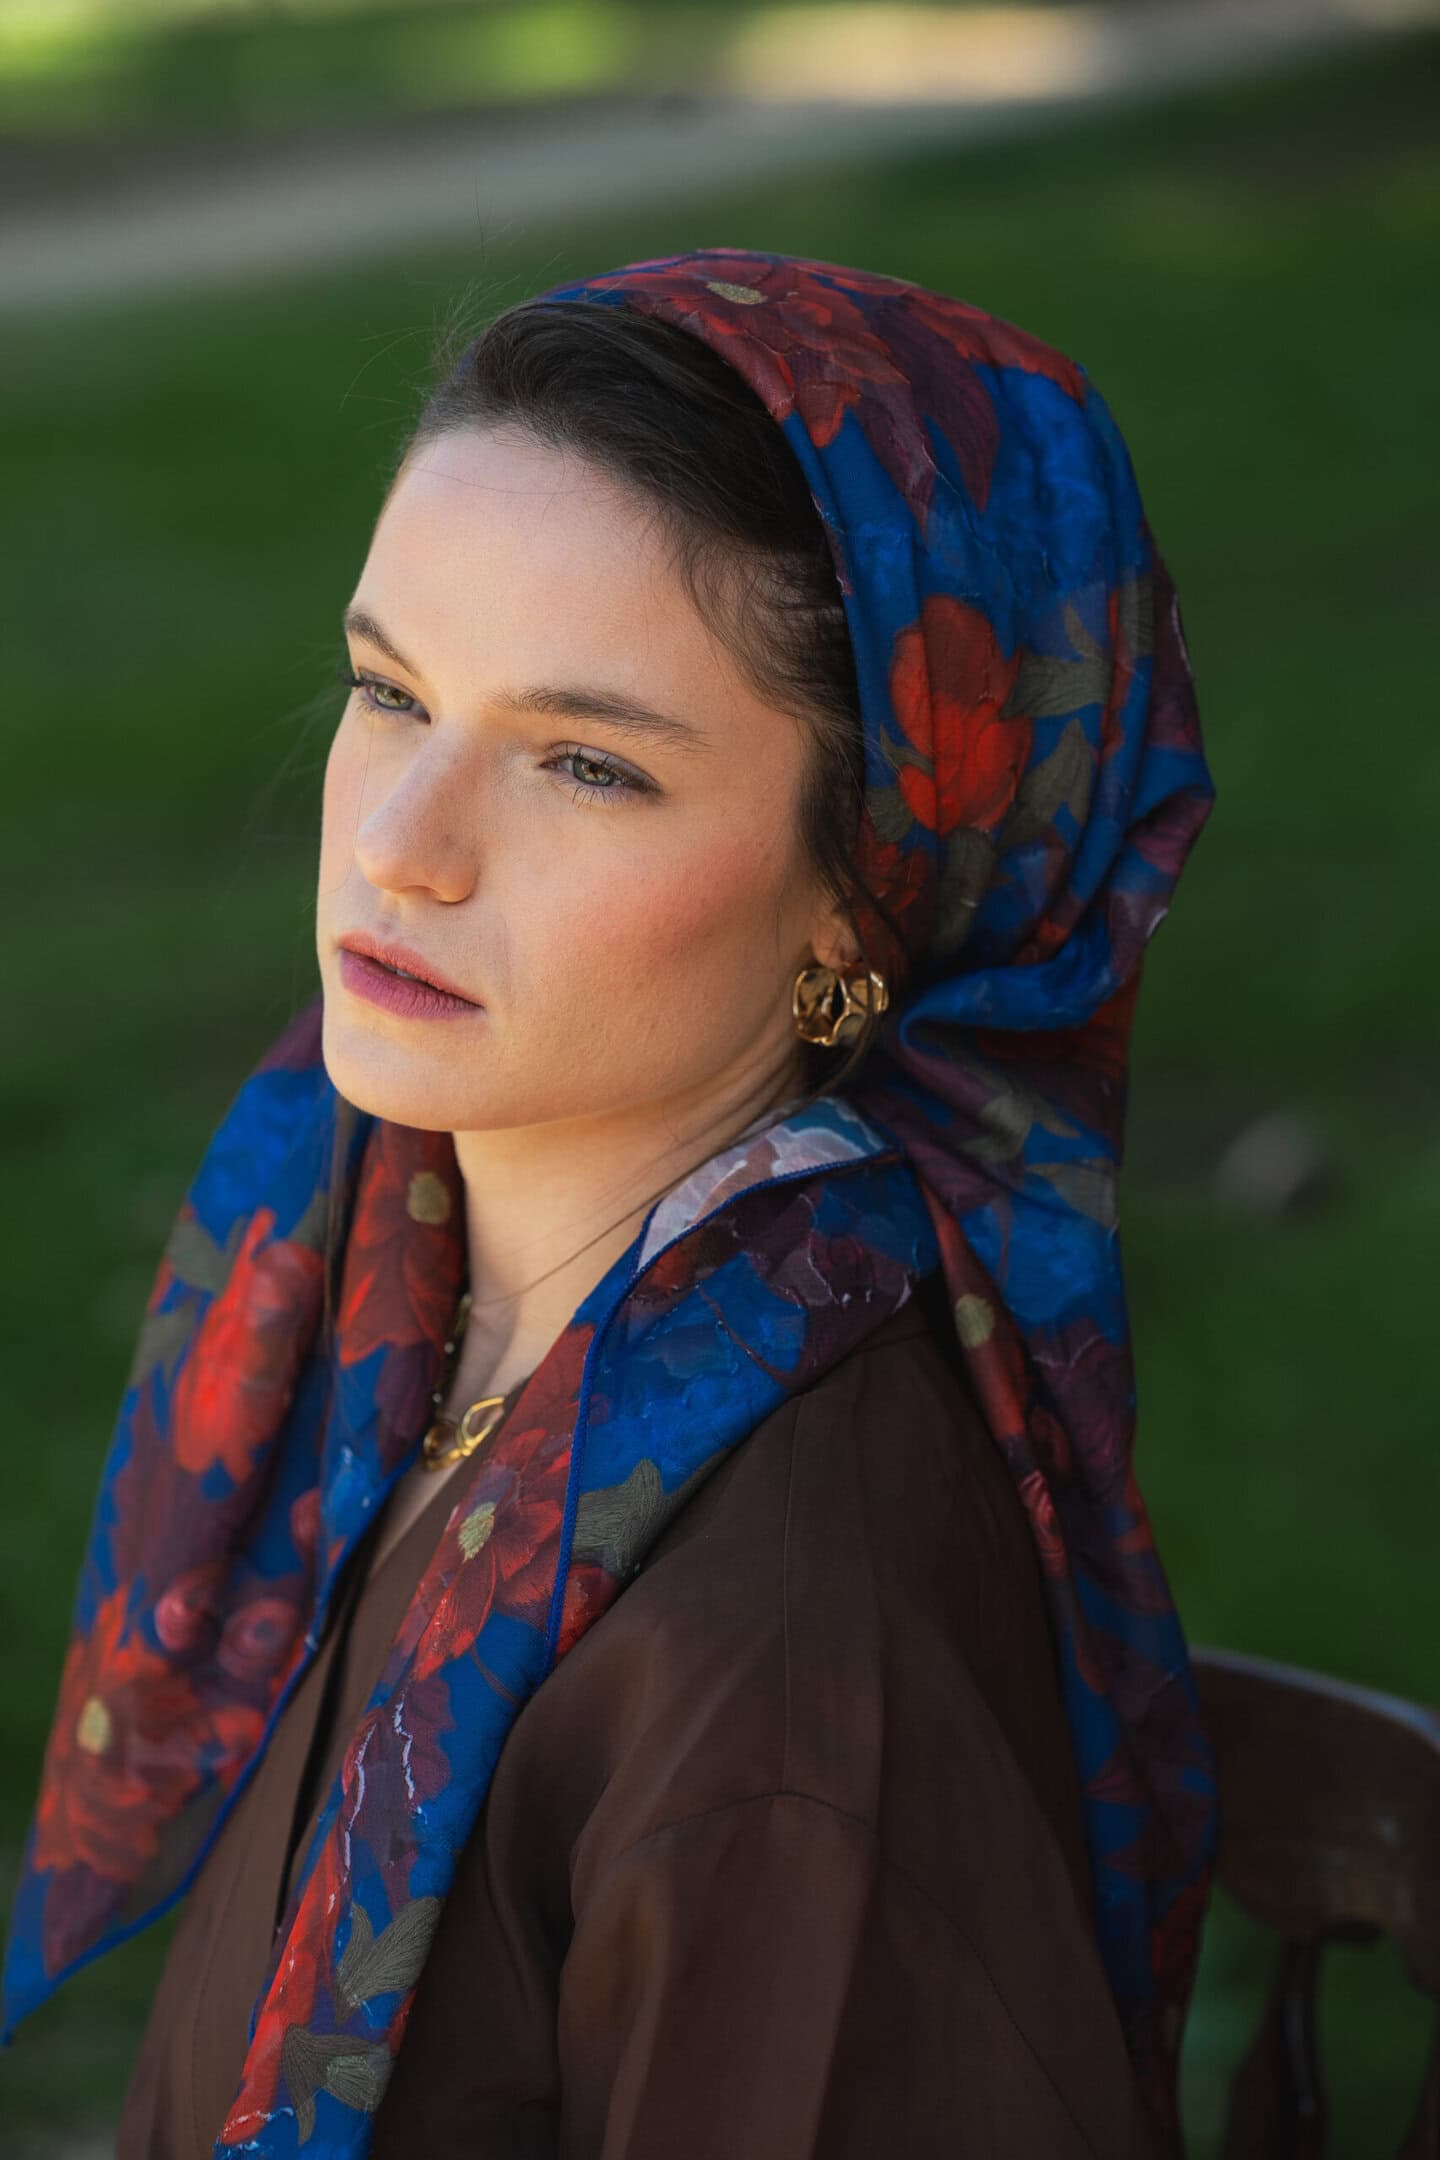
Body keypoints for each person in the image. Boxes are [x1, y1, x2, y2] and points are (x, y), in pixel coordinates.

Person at [1, 250, 1219, 2158]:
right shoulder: (400, 1305)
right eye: (389, 691)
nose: (399, 846)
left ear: (862, 902)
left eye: (586, 763)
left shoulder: (785, 1663)